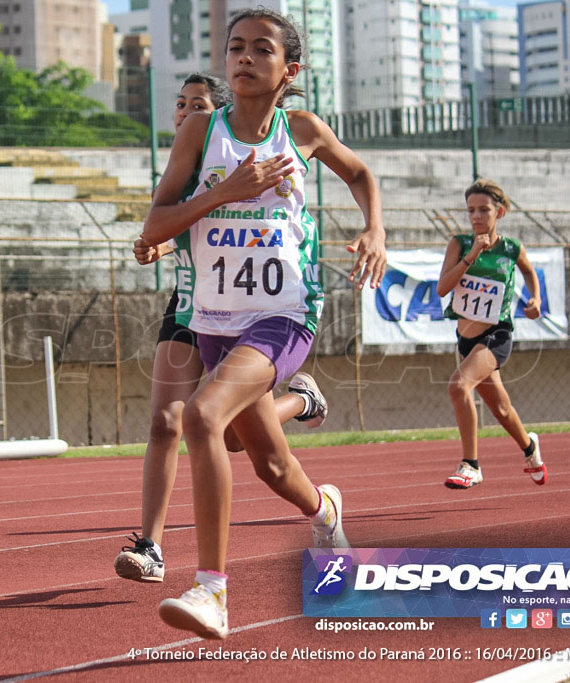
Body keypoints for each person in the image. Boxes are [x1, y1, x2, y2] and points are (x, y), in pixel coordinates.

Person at [139, 8, 387, 639]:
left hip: (285, 312)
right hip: (216, 320)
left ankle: (212, 592)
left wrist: (374, 229)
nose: (244, 58)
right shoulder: (201, 130)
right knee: (266, 465)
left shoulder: (300, 128)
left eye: (260, 50)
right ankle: (324, 508)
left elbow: (360, 173)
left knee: (198, 416)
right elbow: (155, 226)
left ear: (289, 69)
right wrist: (227, 190)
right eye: (236, 48)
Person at [114, 74, 330, 585]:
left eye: (198, 104)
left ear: (221, 111)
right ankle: (151, 546)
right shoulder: (185, 159)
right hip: (190, 309)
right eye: (181, 103)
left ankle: (299, 400)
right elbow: (184, 230)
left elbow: (237, 216)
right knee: (168, 421)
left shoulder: (237, 149)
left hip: (251, 309)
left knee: (232, 437)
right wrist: (155, 246)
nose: (186, 111)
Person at [437, 179, 547, 490]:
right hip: (467, 340)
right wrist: (472, 255)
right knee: (501, 409)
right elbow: (443, 288)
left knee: (458, 386)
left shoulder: (511, 248)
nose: (476, 216)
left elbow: (527, 270)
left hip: (496, 335)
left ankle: (470, 465)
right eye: (471, 210)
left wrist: (535, 297)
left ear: (499, 212)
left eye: (483, 210)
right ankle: (530, 448)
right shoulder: (459, 244)